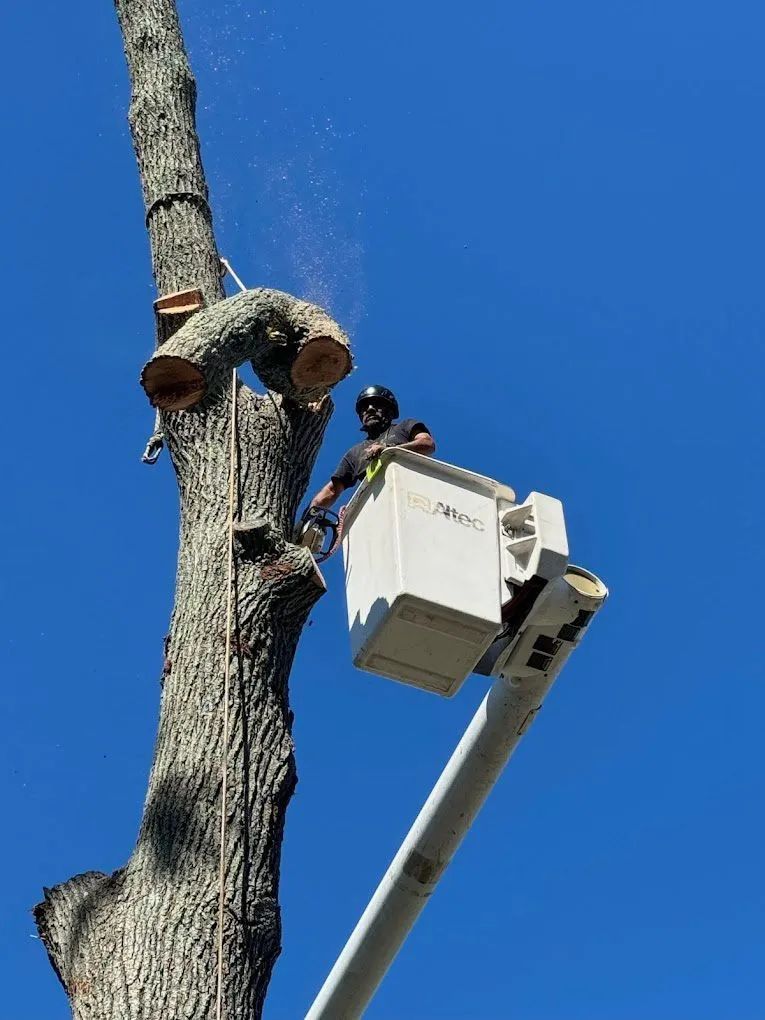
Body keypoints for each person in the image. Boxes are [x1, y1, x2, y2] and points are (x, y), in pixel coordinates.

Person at [310, 385, 436, 509]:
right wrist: (310, 514)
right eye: (364, 407)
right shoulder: (355, 453)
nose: (370, 409)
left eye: (377, 404)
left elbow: (427, 444)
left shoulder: (404, 427)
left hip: (415, 497)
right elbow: (332, 490)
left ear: (391, 411)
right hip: (377, 507)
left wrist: (388, 449)